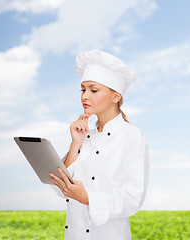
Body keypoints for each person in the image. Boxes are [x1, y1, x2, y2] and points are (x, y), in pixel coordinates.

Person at [49, 49, 149, 240]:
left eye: (93, 90)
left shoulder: (133, 137)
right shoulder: (84, 135)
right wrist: (75, 144)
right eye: (83, 89)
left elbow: (132, 198)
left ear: (116, 96)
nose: (84, 96)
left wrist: (87, 198)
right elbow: (62, 190)